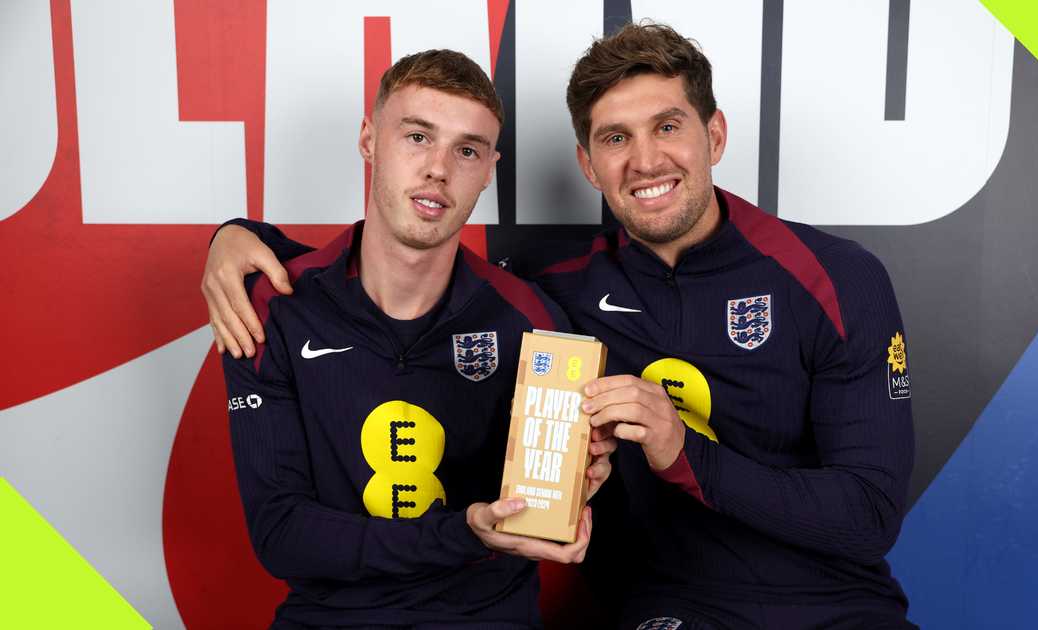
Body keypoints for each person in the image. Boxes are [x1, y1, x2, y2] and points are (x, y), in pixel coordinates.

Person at [206, 24, 915, 630]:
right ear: (587, 163)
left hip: (838, 605)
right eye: (615, 138)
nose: (645, 161)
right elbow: (395, 264)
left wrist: (680, 454)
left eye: (668, 126)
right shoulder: (559, 287)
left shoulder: (836, 278)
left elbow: (869, 516)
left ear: (715, 134)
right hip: (671, 606)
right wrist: (237, 237)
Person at [213, 49, 613, 629]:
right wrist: (462, 533)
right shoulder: (272, 309)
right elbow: (281, 534)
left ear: (489, 169)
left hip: (484, 619)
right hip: (330, 619)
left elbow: (547, 498)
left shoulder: (533, 322)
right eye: (418, 137)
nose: (439, 169)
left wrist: (581, 481)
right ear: (369, 139)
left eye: (467, 150)